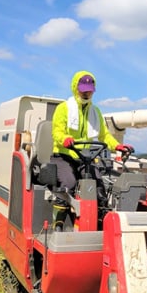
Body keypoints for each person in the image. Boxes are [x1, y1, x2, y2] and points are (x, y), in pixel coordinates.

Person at [50, 70, 134, 231]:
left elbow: (104, 135)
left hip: (86, 157)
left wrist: (117, 146)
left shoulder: (95, 112)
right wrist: (65, 139)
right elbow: (57, 131)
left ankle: (99, 223)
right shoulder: (63, 108)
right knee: (68, 184)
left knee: (99, 188)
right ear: (76, 88)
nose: (87, 93)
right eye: (83, 89)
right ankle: (59, 224)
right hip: (63, 155)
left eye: (89, 90)